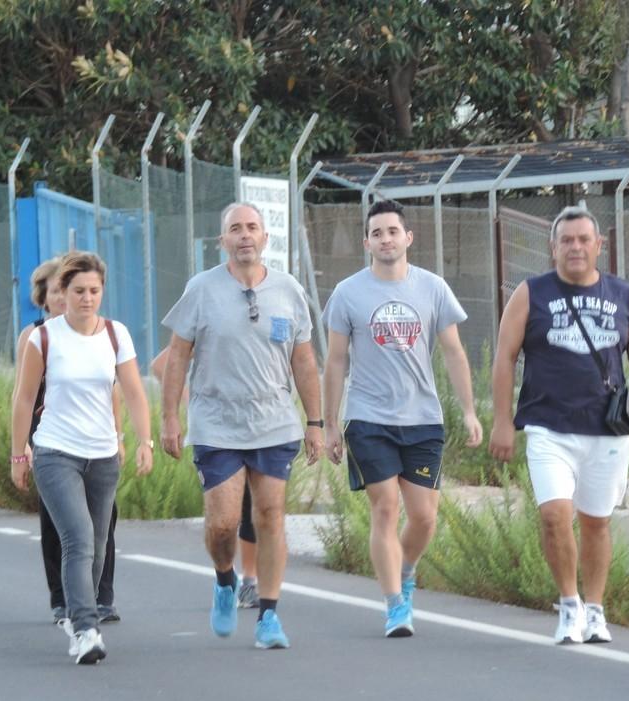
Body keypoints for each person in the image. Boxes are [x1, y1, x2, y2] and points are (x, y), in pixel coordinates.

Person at [160, 202, 324, 650]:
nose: (245, 235)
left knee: (270, 515)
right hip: (216, 423)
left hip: (274, 421)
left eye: (252, 227)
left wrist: (315, 422)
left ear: (265, 237)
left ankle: (269, 616)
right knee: (223, 524)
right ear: (223, 241)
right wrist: (170, 416)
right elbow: (177, 355)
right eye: (235, 229)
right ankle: (224, 579)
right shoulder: (201, 289)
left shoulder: (289, 290)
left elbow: (304, 360)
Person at [322, 199, 482, 638]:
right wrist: (329, 423)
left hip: (422, 418)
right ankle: (395, 605)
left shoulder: (432, 288)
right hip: (368, 416)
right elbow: (335, 361)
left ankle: (406, 572)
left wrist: (469, 411)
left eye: (393, 231)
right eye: (377, 233)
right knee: (386, 507)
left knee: (425, 516)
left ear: (408, 237)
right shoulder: (348, 293)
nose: (386, 239)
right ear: (366, 242)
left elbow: (453, 351)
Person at [490, 206, 629, 645]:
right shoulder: (531, 292)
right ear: (552, 246)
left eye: (583, 239)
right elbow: (504, 356)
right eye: (566, 240)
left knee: (596, 523)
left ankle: (596, 611)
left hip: (606, 429)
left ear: (599, 246)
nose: (575, 247)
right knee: (555, 517)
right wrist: (503, 421)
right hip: (548, 426)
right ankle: (570, 604)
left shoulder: (622, 295)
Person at [11, 251, 153, 664]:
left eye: (94, 291)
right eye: (78, 291)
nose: (87, 298)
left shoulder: (116, 335)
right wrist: (19, 453)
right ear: (63, 293)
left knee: (97, 542)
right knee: (77, 537)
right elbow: (23, 399)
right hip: (56, 451)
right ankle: (86, 629)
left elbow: (133, 392)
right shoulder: (44, 338)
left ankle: (80, 613)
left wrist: (143, 440)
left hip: (103, 454)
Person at [12, 257, 122, 624]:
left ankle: (99, 597)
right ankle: (64, 600)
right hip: (49, 434)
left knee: (102, 525)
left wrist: (121, 436)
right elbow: (22, 395)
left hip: (96, 436)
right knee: (61, 523)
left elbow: (115, 390)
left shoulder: (102, 334)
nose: (67, 299)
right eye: (59, 293)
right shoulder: (36, 336)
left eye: (84, 291)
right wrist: (21, 447)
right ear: (45, 299)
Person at [151, 345, 260, 607]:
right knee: (226, 517)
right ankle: (227, 575)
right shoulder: (209, 323)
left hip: (258, 423)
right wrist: (188, 399)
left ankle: (250, 581)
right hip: (216, 430)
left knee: (254, 506)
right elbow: (161, 364)